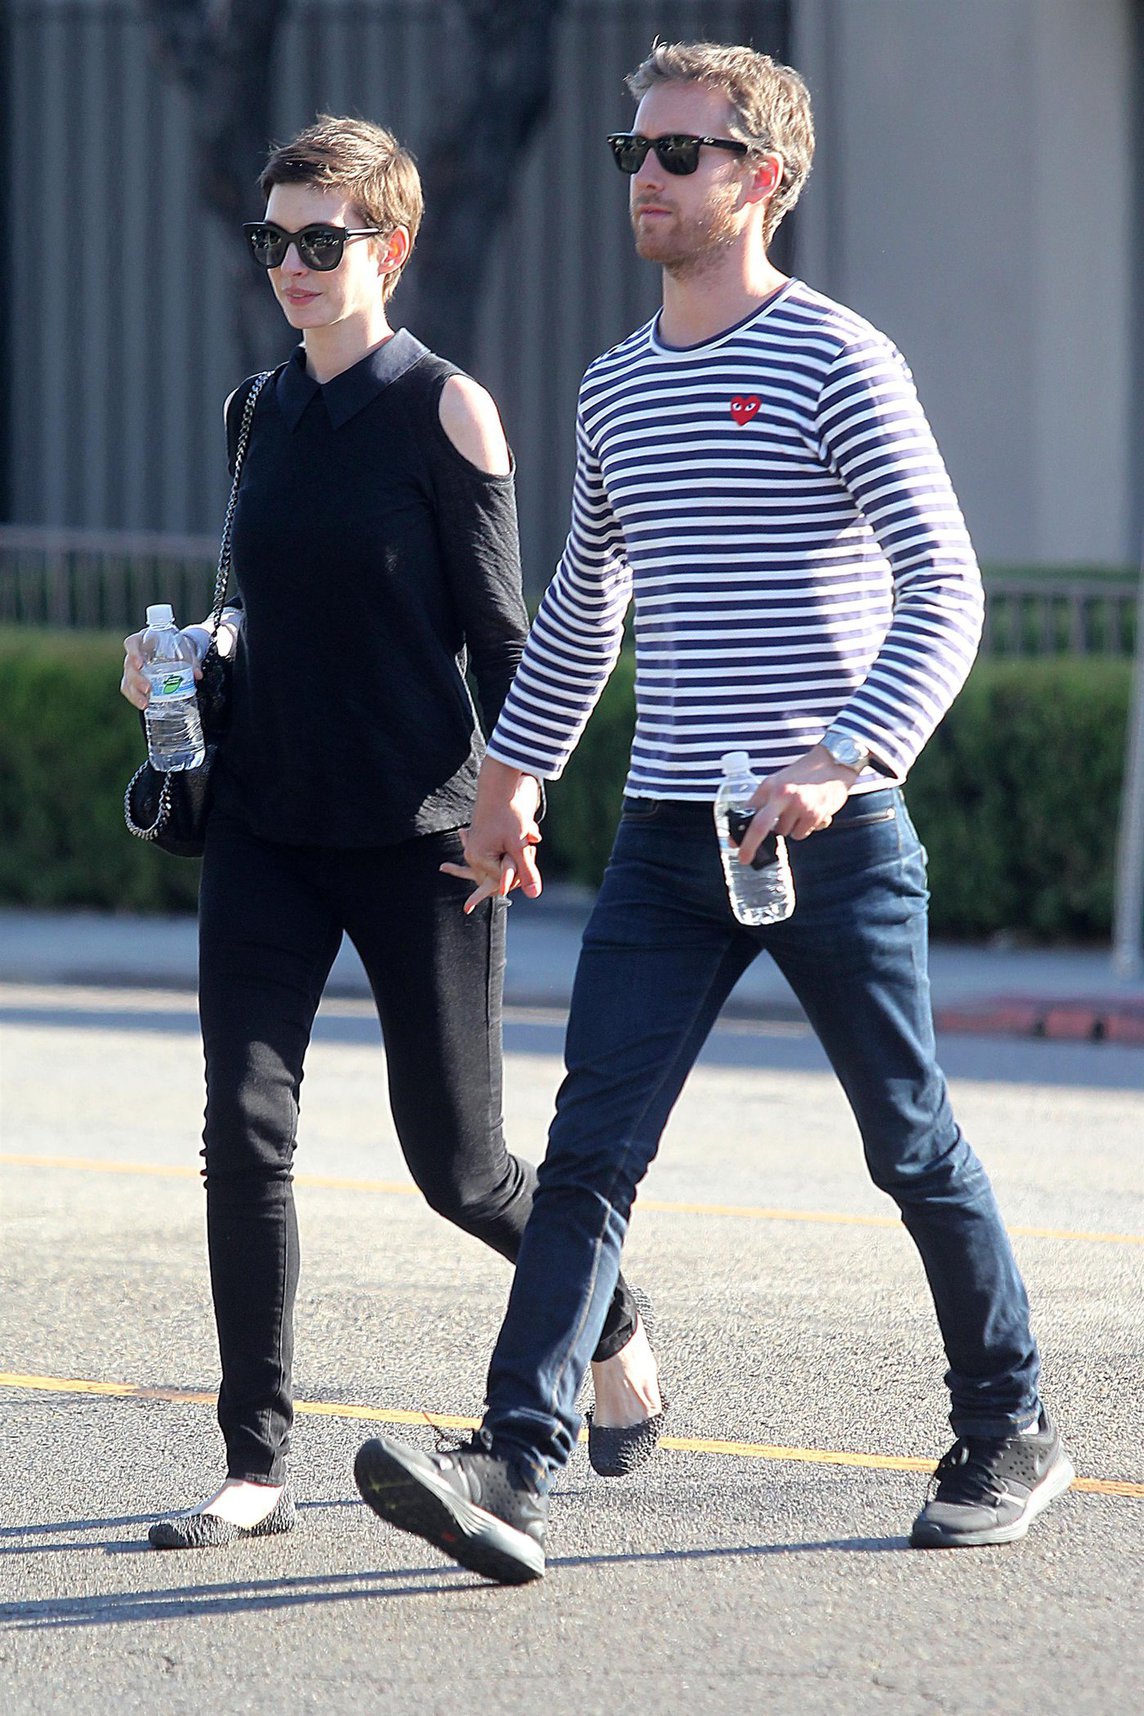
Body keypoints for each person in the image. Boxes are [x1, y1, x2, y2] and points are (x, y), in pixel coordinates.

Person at [352, 44, 1074, 1584]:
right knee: (594, 1146)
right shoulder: (616, 387)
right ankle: (514, 1461)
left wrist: (850, 755)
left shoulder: (839, 361)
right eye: (636, 146)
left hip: (834, 836)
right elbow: (581, 611)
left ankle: (1009, 1425)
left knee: (910, 1143)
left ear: (767, 178)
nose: (647, 174)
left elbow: (947, 586)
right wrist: (507, 781)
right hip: (675, 841)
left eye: (683, 151)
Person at [119, 114, 661, 1550]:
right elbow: (254, 604)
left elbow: (507, 644)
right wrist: (176, 669)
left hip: (418, 837)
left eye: (322, 240)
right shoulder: (257, 410)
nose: (293, 266)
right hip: (264, 828)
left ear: (390, 245)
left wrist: (513, 801)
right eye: (274, 240)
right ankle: (255, 1462)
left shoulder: (448, 410)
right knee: (243, 1135)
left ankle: (608, 1312)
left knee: (463, 1165)